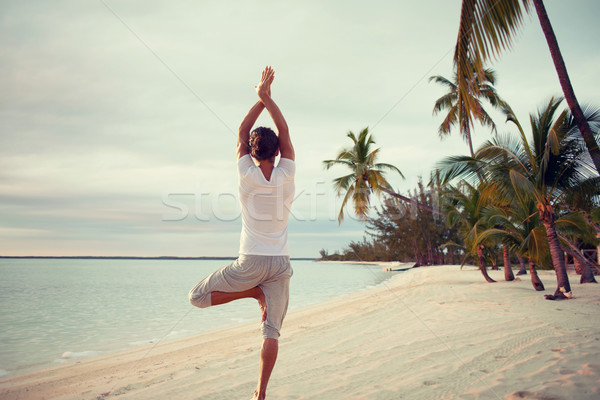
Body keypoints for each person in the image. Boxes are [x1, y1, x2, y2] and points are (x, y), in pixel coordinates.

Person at [189, 66, 295, 400]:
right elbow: (285, 130)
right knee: (272, 331)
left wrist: (259, 99)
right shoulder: (287, 173)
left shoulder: (245, 173)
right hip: (279, 265)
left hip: (249, 263)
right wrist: (267, 98)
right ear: (277, 153)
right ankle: (260, 394)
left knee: (197, 297)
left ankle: (251, 293)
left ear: (252, 152)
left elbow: (241, 130)